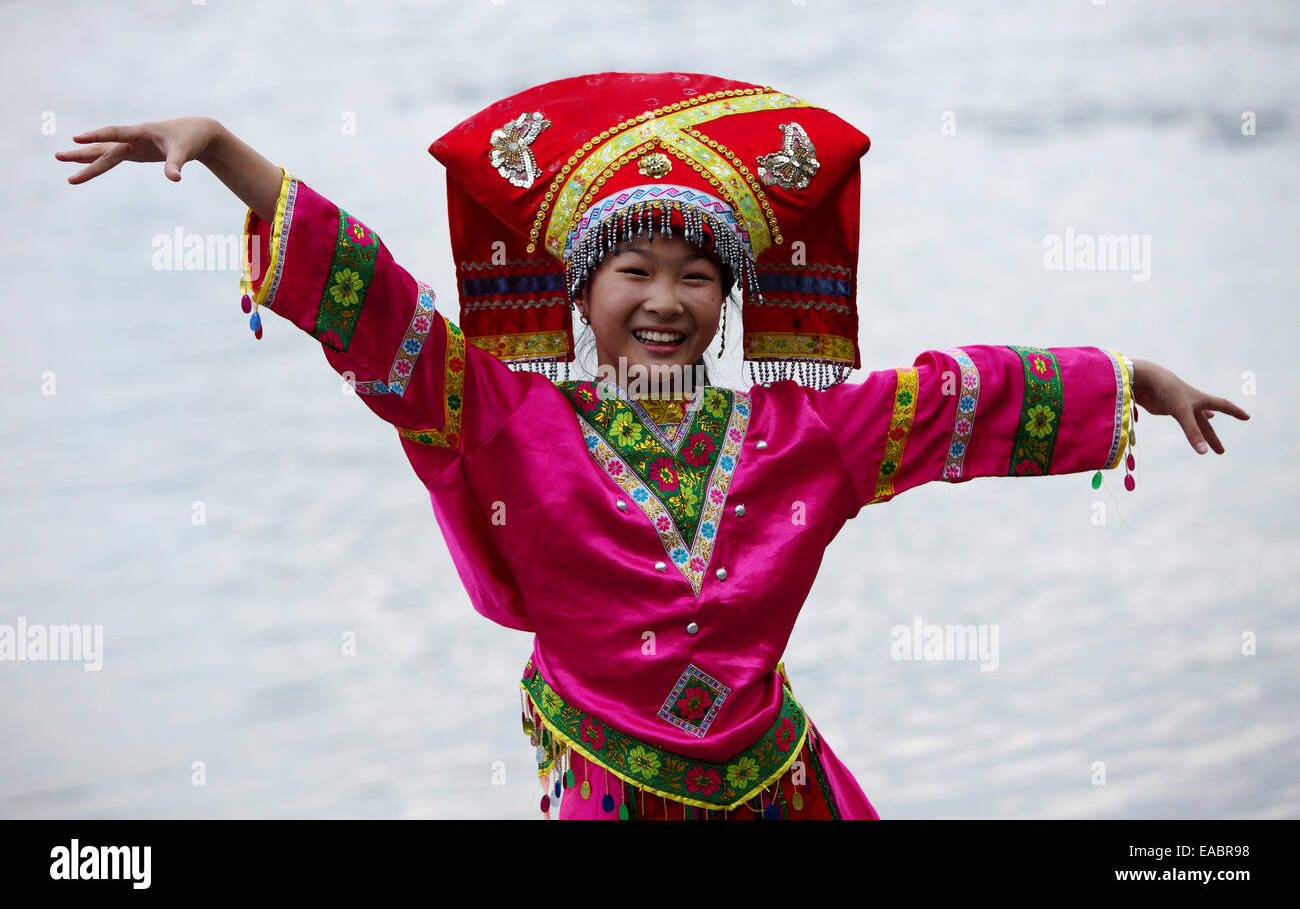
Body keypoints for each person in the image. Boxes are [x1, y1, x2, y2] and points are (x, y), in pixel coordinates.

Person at [56, 71, 1250, 819]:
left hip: (778, 780)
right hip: (609, 784)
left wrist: (1130, 377)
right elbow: (386, 305)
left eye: (695, 276)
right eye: (634, 270)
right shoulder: (507, 420)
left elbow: (958, 399)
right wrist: (226, 157)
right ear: (582, 295)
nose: (664, 297)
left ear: (730, 303)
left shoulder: (807, 430)